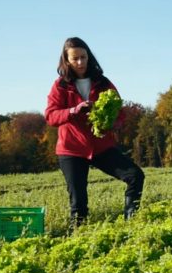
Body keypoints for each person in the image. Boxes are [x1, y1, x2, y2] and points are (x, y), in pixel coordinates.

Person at [45, 37, 144, 230]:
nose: (80, 62)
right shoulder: (60, 86)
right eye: (75, 59)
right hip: (71, 149)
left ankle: (131, 224)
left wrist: (113, 123)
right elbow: (50, 116)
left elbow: (119, 112)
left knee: (135, 176)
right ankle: (77, 239)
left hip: (101, 146)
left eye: (83, 57)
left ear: (89, 57)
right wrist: (73, 111)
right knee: (78, 203)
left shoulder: (103, 82)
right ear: (66, 60)